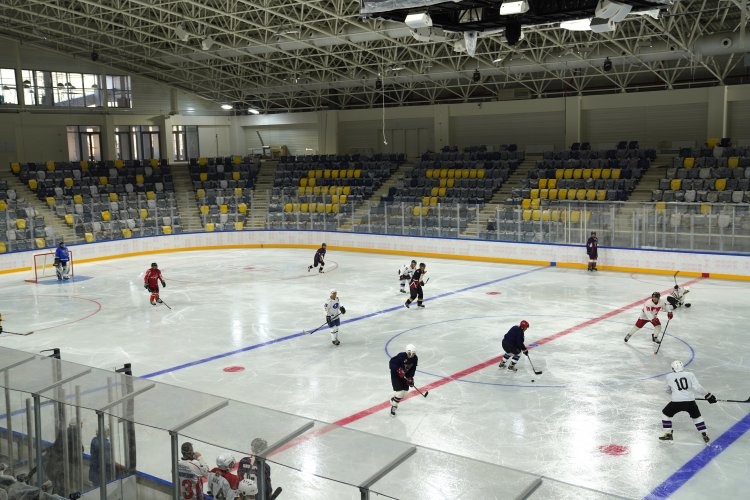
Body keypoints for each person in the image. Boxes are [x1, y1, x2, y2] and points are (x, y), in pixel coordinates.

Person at [659, 360, 716, 443]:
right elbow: (697, 387)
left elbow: (667, 391)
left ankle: (667, 434)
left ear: (673, 368)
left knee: (665, 415)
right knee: (697, 417)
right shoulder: (690, 374)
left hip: (676, 402)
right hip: (690, 402)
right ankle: (704, 432)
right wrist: (708, 395)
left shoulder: (669, 376)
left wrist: (675, 392)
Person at [389, 344, 418, 416]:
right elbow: (391, 363)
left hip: (405, 376)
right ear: (408, 352)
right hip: (396, 375)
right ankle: (394, 406)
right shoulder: (401, 356)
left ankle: (393, 399)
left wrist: (410, 378)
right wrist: (398, 369)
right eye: (411, 353)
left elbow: (413, 369)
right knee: (400, 393)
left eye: (414, 353)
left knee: (405, 393)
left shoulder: (415, 358)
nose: (412, 355)